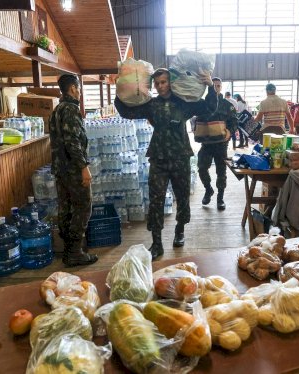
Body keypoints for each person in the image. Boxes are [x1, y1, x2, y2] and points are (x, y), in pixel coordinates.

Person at [115, 68, 216, 260]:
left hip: (180, 157)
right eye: (157, 83)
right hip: (159, 159)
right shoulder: (151, 105)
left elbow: (209, 108)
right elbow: (127, 112)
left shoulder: (184, 102)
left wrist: (211, 87)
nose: (160, 86)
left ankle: (180, 230)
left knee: (183, 198)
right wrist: (119, 90)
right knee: (156, 201)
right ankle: (157, 242)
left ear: (171, 82)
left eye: (164, 82)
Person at [49, 74, 98, 267]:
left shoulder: (57, 110)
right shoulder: (70, 110)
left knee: (66, 207)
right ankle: (75, 251)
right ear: (72, 89)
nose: (80, 92)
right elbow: (73, 143)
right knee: (83, 205)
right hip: (72, 169)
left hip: (61, 169)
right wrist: (84, 168)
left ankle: (69, 251)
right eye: (79, 88)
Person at [195, 78, 238, 211]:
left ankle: (220, 198)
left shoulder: (227, 105)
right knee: (202, 168)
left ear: (221, 87)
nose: (216, 88)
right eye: (213, 86)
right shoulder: (202, 104)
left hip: (221, 144)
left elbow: (234, 121)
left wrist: (230, 132)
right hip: (206, 143)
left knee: (221, 171)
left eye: (218, 86)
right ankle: (208, 190)